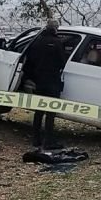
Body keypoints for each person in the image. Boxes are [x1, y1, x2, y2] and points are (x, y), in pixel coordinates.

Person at [22, 19, 68, 150]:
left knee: (39, 111)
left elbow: (29, 61)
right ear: (55, 29)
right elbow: (62, 62)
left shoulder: (36, 42)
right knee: (50, 112)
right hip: (52, 81)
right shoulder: (57, 43)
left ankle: (36, 139)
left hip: (39, 81)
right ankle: (49, 141)